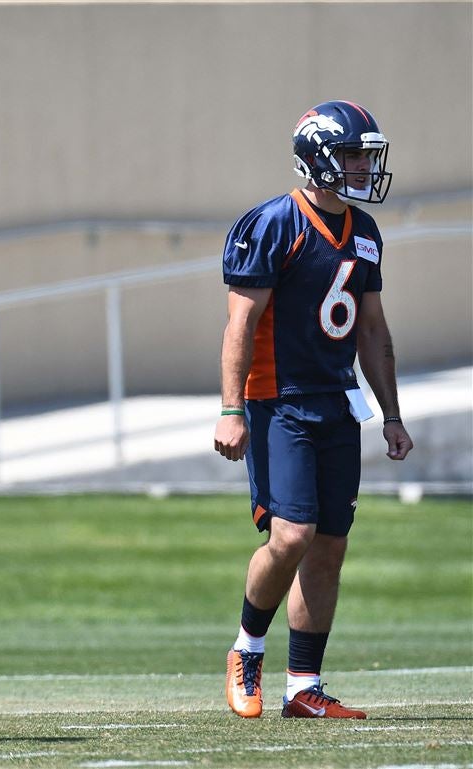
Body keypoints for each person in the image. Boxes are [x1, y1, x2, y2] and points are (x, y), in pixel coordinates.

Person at [214, 100, 413, 720]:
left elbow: (372, 330)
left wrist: (392, 414)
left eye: (364, 156)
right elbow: (240, 323)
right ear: (321, 155)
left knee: (329, 548)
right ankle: (247, 647)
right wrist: (230, 408)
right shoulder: (273, 223)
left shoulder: (366, 231)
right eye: (353, 154)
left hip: (336, 403)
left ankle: (303, 687)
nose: (361, 166)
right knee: (291, 536)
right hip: (280, 402)